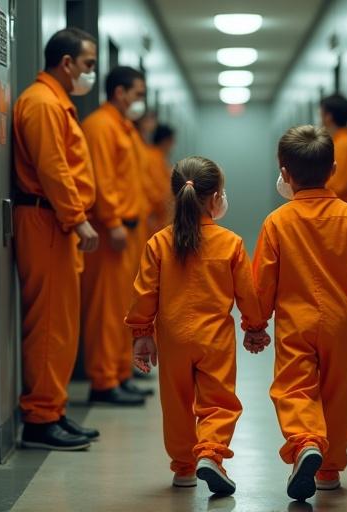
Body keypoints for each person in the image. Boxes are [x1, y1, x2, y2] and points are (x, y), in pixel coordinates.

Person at [251, 125, 347, 501]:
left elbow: (263, 280)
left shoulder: (277, 222)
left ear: (284, 172)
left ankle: (305, 442)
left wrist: (255, 323)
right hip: (340, 322)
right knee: (338, 393)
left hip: (294, 322)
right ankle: (328, 470)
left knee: (294, 387)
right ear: (332, 170)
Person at [125, 156, 269, 495]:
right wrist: (255, 326)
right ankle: (210, 454)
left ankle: (184, 467)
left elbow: (144, 293)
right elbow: (247, 292)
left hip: (173, 336)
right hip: (215, 339)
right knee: (218, 401)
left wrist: (142, 335)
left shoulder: (159, 242)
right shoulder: (230, 243)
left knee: (176, 403)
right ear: (216, 198)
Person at [13, 27, 100, 450]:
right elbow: (53, 168)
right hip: (48, 221)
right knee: (48, 324)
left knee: (61, 324)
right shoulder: (43, 103)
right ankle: (40, 419)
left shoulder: (57, 103)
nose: (90, 74)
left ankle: (54, 410)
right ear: (66, 63)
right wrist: (77, 217)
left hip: (57, 223)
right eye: (87, 65)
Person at [81, 66, 151, 406]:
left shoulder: (125, 130)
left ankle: (121, 373)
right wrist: (111, 221)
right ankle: (103, 380)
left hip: (129, 231)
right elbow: (101, 179)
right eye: (137, 94)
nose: (141, 101)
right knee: (105, 310)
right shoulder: (100, 127)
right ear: (120, 92)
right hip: (114, 231)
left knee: (125, 307)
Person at [134, 114, 175, 235]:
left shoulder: (157, 157)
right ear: (167, 141)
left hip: (157, 214)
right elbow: (157, 188)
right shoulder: (154, 157)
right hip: (153, 215)